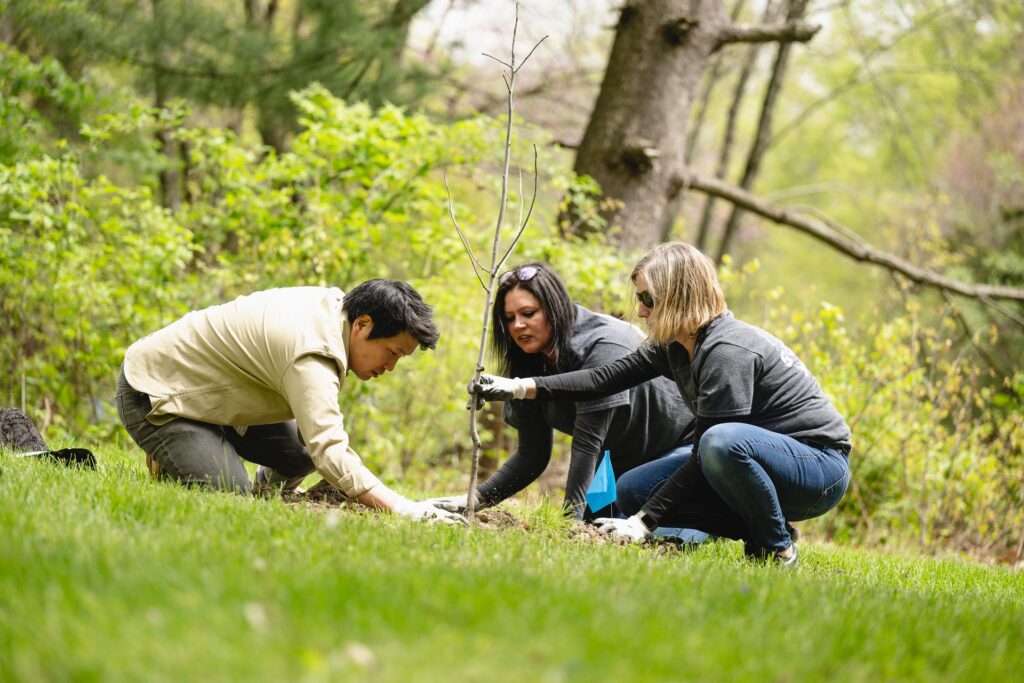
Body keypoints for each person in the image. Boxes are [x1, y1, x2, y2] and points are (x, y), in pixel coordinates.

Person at [471, 244, 852, 566]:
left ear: (679, 294)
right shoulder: (675, 345)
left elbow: (707, 454)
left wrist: (643, 523)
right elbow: (603, 378)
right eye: (640, 299)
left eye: (647, 299)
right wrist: (519, 387)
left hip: (817, 470)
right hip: (756, 464)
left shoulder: (726, 351)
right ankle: (769, 529)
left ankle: (777, 549)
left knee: (717, 443)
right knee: (633, 489)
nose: (640, 311)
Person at [116, 281, 464, 524]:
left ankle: (265, 494)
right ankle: (174, 452)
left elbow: (315, 444)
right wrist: (404, 509)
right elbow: (330, 449)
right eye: (392, 353)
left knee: (300, 452)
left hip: (218, 394)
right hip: (157, 392)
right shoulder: (311, 352)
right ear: (363, 323)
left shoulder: (336, 311)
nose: (390, 367)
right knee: (229, 497)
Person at [428, 262, 702, 534]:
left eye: (528, 313)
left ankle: (704, 522)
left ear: (554, 307)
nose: (518, 325)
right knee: (600, 521)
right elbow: (532, 455)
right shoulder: (529, 363)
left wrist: (569, 526)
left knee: (636, 506)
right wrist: (473, 499)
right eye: (509, 318)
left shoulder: (603, 345)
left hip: (682, 453)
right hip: (618, 463)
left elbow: (588, 442)